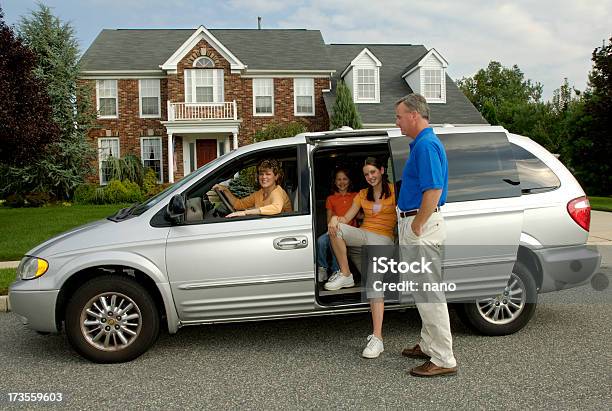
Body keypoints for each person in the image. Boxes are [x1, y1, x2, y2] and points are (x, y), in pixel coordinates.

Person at [394, 93, 457, 377]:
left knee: (430, 293)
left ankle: (443, 359)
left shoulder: (427, 145)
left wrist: (417, 225)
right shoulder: (421, 144)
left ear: (414, 115)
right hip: (417, 225)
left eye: (399, 116)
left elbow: (433, 191)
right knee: (422, 291)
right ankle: (429, 344)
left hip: (422, 227)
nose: (397, 122)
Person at [325, 157, 397, 359]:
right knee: (336, 229)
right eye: (367, 174)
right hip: (363, 238)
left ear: (382, 170)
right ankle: (346, 273)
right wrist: (334, 218)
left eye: (373, 172)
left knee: (374, 285)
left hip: (382, 241)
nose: (370, 176)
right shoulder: (363, 194)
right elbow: (347, 219)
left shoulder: (394, 191)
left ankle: (377, 339)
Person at [317, 168, 358, 281]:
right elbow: (329, 218)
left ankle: (337, 270)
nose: (342, 182)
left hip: (350, 231)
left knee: (335, 239)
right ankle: (323, 268)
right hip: (334, 227)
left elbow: (359, 214)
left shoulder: (355, 196)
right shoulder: (331, 198)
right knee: (321, 241)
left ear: (349, 181)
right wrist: (331, 227)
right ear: (335, 182)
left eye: (345, 179)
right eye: (338, 179)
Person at [213, 159, 292, 218]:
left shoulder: (277, 192)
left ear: (276, 176)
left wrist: (245, 213)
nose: (264, 177)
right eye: (261, 174)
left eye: (268, 174)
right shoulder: (259, 193)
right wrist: (226, 190)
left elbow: (276, 208)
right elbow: (238, 204)